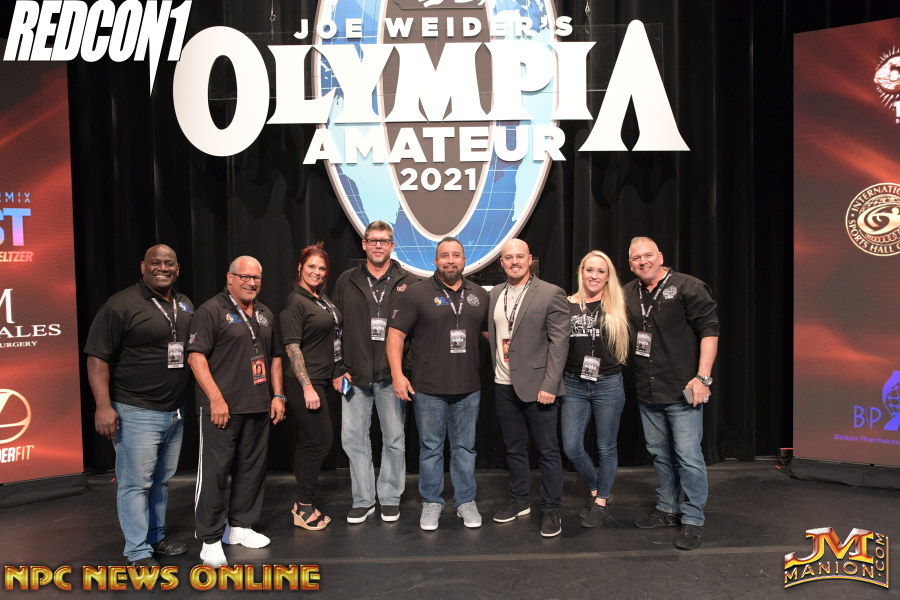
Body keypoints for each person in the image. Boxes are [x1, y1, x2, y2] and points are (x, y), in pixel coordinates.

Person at [84, 244, 192, 567]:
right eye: (156, 263)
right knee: (135, 483)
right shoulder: (119, 305)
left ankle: (155, 537)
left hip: (174, 411)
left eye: (169, 263)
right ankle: (137, 552)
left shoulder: (184, 304)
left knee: (160, 480)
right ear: (142, 266)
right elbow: (97, 357)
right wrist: (103, 406)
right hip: (135, 410)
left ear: (177, 268)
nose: (163, 268)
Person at [187, 256, 285, 567]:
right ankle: (210, 538)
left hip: (258, 405)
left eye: (256, 278)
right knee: (214, 474)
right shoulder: (211, 310)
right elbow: (195, 358)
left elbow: (275, 358)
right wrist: (215, 399)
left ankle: (240, 526)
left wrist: (278, 395)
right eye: (244, 276)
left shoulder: (266, 314)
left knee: (251, 470)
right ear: (229, 278)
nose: (251, 283)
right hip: (222, 409)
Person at [386, 237, 489, 531]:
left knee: (465, 448)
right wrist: (397, 375)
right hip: (428, 388)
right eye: (445, 255)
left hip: (469, 388)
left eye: (456, 255)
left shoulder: (480, 295)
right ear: (435, 261)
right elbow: (395, 336)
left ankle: (465, 501)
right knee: (431, 448)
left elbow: (490, 335)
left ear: (465, 260)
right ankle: (431, 501)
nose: (450, 260)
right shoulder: (416, 293)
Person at [623, 237, 719, 551]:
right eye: (636, 258)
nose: (643, 261)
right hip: (647, 389)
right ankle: (667, 508)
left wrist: (702, 378)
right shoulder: (627, 293)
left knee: (688, 457)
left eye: (648, 255)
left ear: (660, 256)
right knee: (659, 454)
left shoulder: (689, 287)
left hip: (683, 390)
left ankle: (692, 518)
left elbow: (709, 331)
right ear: (630, 264)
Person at [332, 222, 417, 524]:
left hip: (391, 375)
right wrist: (338, 367)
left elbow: (416, 331)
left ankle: (390, 497)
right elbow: (335, 327)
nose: (378, 245)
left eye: (384, 241)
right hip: (353, 375)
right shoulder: (347, 280)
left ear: (393, 245)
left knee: (394, 439)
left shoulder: (408, 282)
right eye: (373, 240)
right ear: (364, 244)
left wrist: (405, 370)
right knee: (353, 439)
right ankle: (363, 499)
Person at [488, 239, 569, 537]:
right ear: (501, 263)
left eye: (519, 256)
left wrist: (550, 385)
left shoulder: (550, 293)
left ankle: (552, 508)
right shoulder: (495, 293)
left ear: (530, 259)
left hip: (539, 388)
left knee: (547, 450)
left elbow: (560, 344)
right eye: (508, 257)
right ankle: (520, 500)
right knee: (513, 448)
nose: (514, 262)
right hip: (503, 384)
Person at [559, 250, 630, 529]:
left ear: (608, 276)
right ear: (581, 272)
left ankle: (600, 502)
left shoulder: (618, 303)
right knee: (571, 446)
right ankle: (596, 488)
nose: (594, 275)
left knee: (606, 447)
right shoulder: (567, 304)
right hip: (574, 383)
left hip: (608, 384)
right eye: (589, 270)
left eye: (601, 271)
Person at [279, 242, 347, 531]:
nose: (317, 272)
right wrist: (307, 387)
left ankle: (303, 503)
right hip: (305, 382)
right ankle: (303, 504)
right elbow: (292, 348)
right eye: (311, 267)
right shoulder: (295, 302)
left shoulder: (320, 298)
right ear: (300, 268)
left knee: (309, 442)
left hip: (323, 378)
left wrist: (337, 370)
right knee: (320, 441)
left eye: (321, 268)